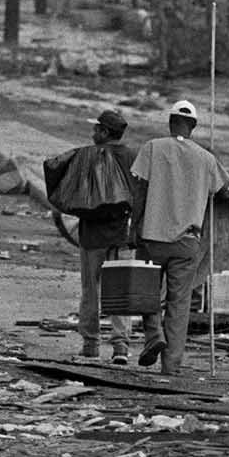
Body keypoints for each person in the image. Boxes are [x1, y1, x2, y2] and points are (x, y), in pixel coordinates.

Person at [43, 107, 158, 363]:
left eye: (96, 128)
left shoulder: (87, 156)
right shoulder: (133, 157)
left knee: (90, 291)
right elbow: (141, 195)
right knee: (120, 290)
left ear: (105, 132)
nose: (93, 132)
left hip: (92, 236)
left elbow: (59, 175)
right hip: (122, 235)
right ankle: (120, 347)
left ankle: (91, 344)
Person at [129, 100, 226, 376]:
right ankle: (170, 365)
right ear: (193, 126)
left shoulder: (152, 148)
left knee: (146, 293)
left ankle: (153, 335)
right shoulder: (206, 158)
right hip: (187, 242)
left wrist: (134, 226)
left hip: (152, 237)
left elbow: (140, 192)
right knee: (179, 303)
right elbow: (222, 188)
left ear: (170, 123)